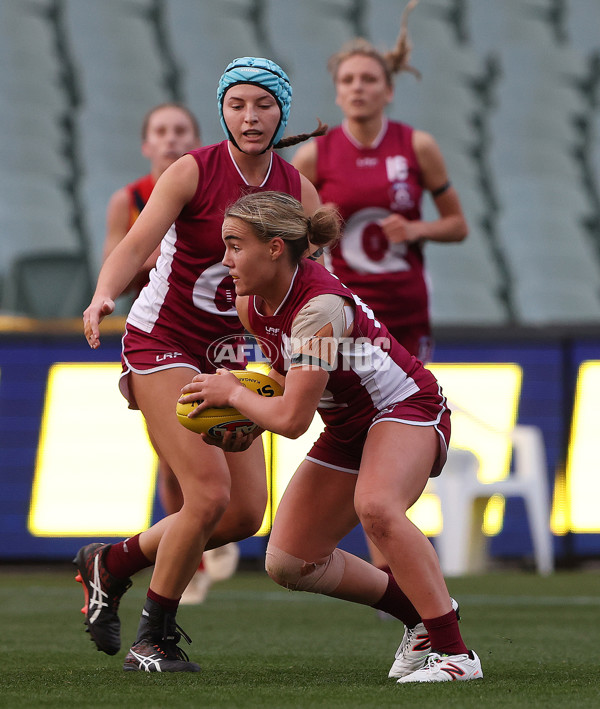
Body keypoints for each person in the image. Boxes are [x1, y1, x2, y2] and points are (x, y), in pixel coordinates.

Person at [76, 57, 324, 673]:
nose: (250, 114)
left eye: (263, 103)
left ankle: (112, 563)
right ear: (223, 109)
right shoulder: (193, 170)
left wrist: (320, 351)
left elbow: (318, 288)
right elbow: (135, 245)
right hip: (162, 339)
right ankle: (152, 637)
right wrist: (104, 293)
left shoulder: (299, 191)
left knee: (243, 514)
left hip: (231, 354)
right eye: (237, 103)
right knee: (207, 494)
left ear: (280, 110)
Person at [179, 190, 482, 683]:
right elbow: (284, 381)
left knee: (378, 508)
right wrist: (248, 418)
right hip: (349, 426)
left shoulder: (320, 307)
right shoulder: (251, 302)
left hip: (405, 409)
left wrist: (235, 394)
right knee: (289, 560)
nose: (225, 258)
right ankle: (420, 619)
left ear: (275, 247)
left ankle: (458, 655)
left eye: (235, 245)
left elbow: (295, 420)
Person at [291, 1, 468, 594]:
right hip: (340, 320)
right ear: (337, 93)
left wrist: (416, 229)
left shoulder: (416, 146)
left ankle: (410, 596)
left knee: (389, 447)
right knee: (363, 442)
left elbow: (458, 225)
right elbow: (297, 240)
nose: (359, 88)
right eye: (348, 81)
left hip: (404, 313)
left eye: (369, 79)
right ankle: (404, 598)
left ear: (388, 90)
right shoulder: (316, 155)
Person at [102, 102, 238, 605]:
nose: (170, 138)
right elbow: (122, 255)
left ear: (196, 137)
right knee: (176, 465)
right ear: (146, 143)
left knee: (235, 499)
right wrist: (149, 262)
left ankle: (154, 552)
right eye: (159, 130)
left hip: (226, 342)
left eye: (180, 130)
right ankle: (187, 574)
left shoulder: (215, 183)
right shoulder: (132, 198)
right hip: (165, 337)